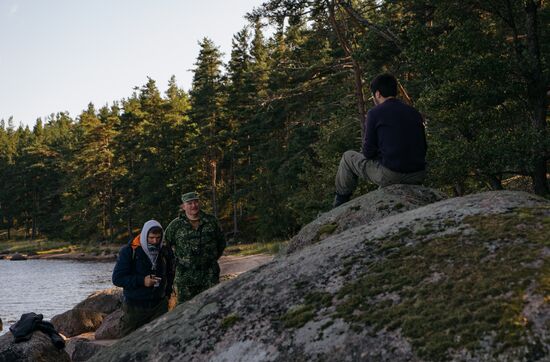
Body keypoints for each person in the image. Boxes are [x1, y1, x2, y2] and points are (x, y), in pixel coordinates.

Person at [333, 73, 427, 207]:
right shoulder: (413, 112)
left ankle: (339, 204)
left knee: (348, 157)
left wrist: (381, 155)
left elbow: (367, 152)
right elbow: (423, 147)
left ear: (377, 94)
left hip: (393, 175)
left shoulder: (375, 113)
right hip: (418, 174)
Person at [112, 220, 175, 336]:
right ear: (144, 235)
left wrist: (168, 294)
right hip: (134, 307)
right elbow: (117, 279)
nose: (155, 241)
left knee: (160, 342)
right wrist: (142, 281)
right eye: (151, 238)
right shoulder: (129, 251)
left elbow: (171, 273)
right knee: (128, 345)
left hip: (159, 306)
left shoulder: (165, 250)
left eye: (158, 238)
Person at [164, 191, 226, 304]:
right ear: (183, 206)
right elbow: (165, 246)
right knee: (185, 310)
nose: (194, 206)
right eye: (190, 203)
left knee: (212, 306)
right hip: (185, 277)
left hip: (209, 275)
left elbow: (221, 242)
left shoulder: (211, 221)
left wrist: (210, 259)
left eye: (196, 202)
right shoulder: (175, 225)